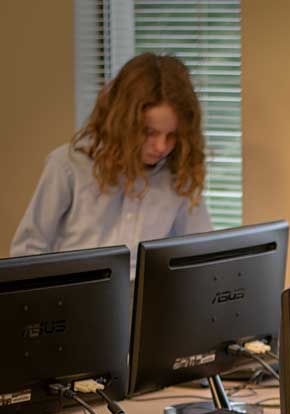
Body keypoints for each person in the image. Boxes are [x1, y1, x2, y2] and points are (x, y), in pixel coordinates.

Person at [10, 53, 211, 276]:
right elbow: (27, 252)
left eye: (171, 135)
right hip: (73, 301)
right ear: (122, 122)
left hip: (148, 305)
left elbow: (200, 257)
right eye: (149, 132)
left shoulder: (178, 174)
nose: (161, 147)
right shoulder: (68, 166)